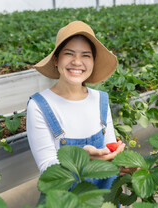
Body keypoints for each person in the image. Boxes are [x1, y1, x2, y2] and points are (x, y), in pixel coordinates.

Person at [26, 21, 125, 203]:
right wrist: (81, 158)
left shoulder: (101, 99)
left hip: (104, 197)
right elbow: (48, 170)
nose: (77, 62)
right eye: (69, 54)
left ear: (93, 62)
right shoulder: (39, 105)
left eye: (86, 55)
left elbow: (109, 147)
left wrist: (121, 162)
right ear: (56, 59)